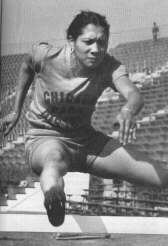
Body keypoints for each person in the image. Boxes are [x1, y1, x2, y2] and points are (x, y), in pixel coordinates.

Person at [1, 11, 168, 227]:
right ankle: (54, 196)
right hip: (46, 137)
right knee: (54, 160)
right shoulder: (46, 56)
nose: (96, 49)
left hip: (87, 143)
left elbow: (134, 94)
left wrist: (128, 110)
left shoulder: (109, 66)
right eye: (88, 42)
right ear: (71, 41)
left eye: (102, 42)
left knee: (161, 177)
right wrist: (16, 111)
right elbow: (27, 66)